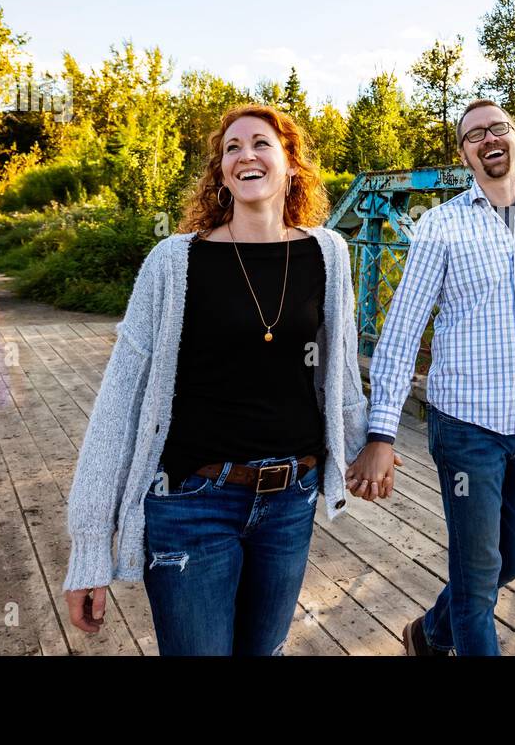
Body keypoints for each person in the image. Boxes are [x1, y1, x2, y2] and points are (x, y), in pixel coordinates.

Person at [62, 103, 391, 656]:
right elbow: (120, 399)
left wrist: (370, 444)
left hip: (291, 499)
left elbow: (340, 376)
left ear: (291, 164)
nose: (246, 155)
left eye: (261, 143)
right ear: (220, 173)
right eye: (231, 148)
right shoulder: (175, 261)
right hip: (192, 501)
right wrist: (91, 546)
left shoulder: (327, 254)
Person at [362, 98, 515, 656]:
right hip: (466, 427)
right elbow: (403, 329)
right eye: (474, 135)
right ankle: (444, 638)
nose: (489, 139)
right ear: (464, 154)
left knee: (509, 563)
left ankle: (428, 634)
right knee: (479, 584)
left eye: (498, 128)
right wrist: (381, 433)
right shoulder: (441, 224)